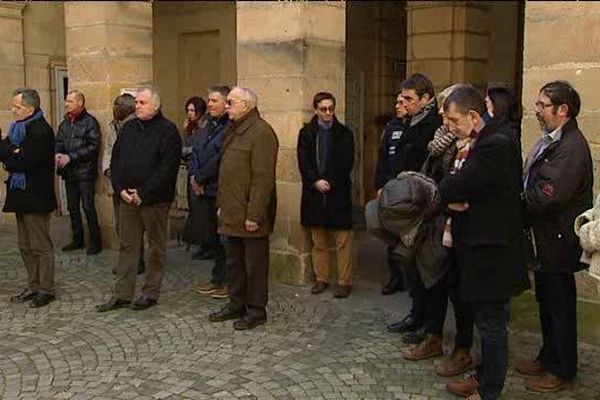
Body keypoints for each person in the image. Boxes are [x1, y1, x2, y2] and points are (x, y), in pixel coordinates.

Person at [439, 86, 525, 400]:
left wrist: (454, 194)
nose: (450, 126)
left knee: (492, 325)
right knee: (485, 321)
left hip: (492, 249)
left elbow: (456, 184)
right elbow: (451, 183)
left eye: (454, 119)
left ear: (474, 116)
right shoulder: (479, 141)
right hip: (479, 245)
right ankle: (482, 376)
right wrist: (454, 195)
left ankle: (489, 390)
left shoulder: (495, 144)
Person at [517, 81, 593, 393]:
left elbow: (549, 194)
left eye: (542, 105)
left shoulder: (572, 146)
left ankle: (562, 368)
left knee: (559, 305)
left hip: (560, 240)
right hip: (546, 239)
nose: (535, 110)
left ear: (563, 110)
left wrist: (518, 202)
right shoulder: (553, 141)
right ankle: (548, 356)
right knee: (547, 302)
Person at [403, 84, 476, 375]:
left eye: (450, 112)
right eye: (445, 111)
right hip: (434, 219)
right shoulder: (439, 139)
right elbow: (429, 170)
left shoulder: (470, 141)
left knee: (459, 290)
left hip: (455, 220)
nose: (445, 118)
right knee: (432, 280)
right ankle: (433, 336)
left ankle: (463, 347)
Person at [96, 88, 181, 312]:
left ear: (156, 105)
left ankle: (150, 292)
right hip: (127, 199)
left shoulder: (168, 131)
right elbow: (117, 161)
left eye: (143, 102)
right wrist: (120, 188)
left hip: (154, 201)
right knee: (127, 246)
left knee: (155, 247)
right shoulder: (129, 128)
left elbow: (167, 169)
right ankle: (123, 294)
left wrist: (143, 193)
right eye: (137, 102)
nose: (137, 106)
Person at [208, 86, 278, 330]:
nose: (226, 107)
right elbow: (227, 173)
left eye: (231, 102)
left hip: (250, 215)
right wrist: (222, 207)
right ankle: (236, 303)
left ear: (247, 105)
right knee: (234, 263)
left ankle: (256, 310)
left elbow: (263, 178)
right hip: (231, 211)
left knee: (254, 266)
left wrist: (255, 215)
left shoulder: (261, 133)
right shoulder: (234, 130)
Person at [386, 73, 442, 345]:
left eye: (409, 98)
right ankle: (415, 314)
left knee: (427, 267)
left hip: (425, 206)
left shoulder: (434, 126)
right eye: (403, 98)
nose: (404, 103)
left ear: (426, 99)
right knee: (411, 265)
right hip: (407, 202)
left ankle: (429, 325)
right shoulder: (409, 122)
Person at [0, 88, 57, 308]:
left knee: (41, 245)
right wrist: (11, 150)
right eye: (13, 105)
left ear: (30, 109)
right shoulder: (18, 129)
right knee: (25, 245)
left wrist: (8, 148)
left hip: (37, 196)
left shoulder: (40, 130)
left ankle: (46, 289)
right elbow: (10, 158)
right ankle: (33, 285)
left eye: (17, 107)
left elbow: (22, 161)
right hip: (20, 195)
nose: (13, 110)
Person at [297, 92, 355, 299]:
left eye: (331, 108)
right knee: (319, 241)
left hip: (338, 193)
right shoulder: (306, 133)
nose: (328, 113)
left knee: (343, 240)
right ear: (316, 110)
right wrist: (315, 181)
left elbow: (346, 162)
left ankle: (344, 281)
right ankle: (321, 278)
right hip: (314, 194)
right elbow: (303, 161)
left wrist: (330, 182)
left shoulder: (345, 134)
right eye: (324, 109)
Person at [187, 86, 231, 299]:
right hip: (203, 189)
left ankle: (227, 281)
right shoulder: (207, 125)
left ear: (226, 103)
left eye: (214, 101)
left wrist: (202, 177)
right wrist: (194, 177)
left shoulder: (230, 127)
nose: (210, 104)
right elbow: (195, 151)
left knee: (225, 240)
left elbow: (220, 157)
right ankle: (217, 277)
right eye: (209, 100)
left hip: (218, 188)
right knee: (212, 238)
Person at [101, 93, 145, 275]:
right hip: (115, 182)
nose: (114, 107)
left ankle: (137, 261)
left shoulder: (136, 126)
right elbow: (108, 150)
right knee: (120, 225)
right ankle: (128, 260)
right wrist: (107, 169)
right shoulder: (113, 126)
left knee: (132, 226)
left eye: (117, 104)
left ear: (127, 108)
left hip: (131, 183)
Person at [55, 90, 102, 255]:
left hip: (84, 172)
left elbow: (93, 146)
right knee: (72, 207)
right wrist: (58, 154)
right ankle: (77, 239)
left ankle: (96, 242)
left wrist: (71, 157)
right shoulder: (65, 123)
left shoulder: (90, 122)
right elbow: (59, 141)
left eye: (70, 101)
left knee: (88, 207)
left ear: (80, 103)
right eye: (66, 101)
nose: (66, 104)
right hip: (69, 172)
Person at [374, 93, 409, 295]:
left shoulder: (414, 128)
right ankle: (395, 277)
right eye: (396, 102)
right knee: (391, 236)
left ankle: (410, 277)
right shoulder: (392, 127)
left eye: (401, 102)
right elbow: (382, 156)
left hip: (408, 189)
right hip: (390, 188)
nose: (398, 106)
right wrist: (379, 184)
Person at [181, 96, 207, 161]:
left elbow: (200, 147)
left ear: (200, 111)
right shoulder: (188, 125)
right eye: (188, 110)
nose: (189, 113)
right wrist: (185, 131)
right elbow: (182, 148)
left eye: (192, 110)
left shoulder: (206, 126)